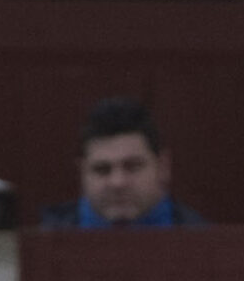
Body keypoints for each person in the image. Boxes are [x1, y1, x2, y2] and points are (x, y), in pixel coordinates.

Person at [43, 98, 206, 229]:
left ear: (163, 167)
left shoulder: (205, 245)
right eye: (102, 170)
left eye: (133, 166)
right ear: (82, 172)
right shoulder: (38, 250)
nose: (118, 183)